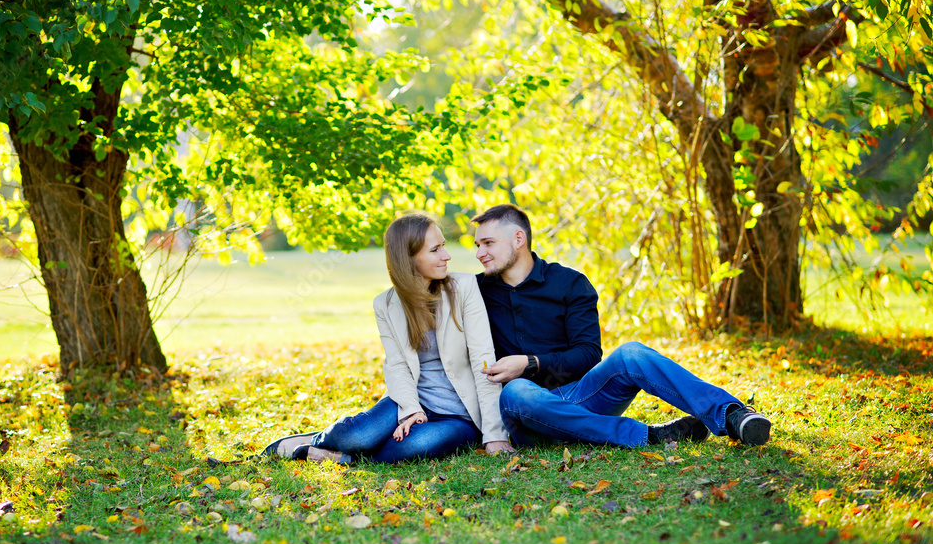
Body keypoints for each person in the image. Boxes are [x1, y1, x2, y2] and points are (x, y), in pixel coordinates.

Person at [471, 203, 772, 449]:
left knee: (632, 354)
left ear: (518, 239)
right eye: (477, 245)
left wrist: (531, 362)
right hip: (529, 416)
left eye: (488, 243)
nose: (479, 253)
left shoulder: (569, 283)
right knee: (517, 389)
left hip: (581, 395)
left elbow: (588, 354)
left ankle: (732, 415)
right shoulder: (474, 291)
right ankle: (649, 436)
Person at [262, 212, 515, 463]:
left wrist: (494, 434)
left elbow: (485, 361)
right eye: (435, 250)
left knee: (412, 447)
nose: (446, 256)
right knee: (358, 437)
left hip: (459, 415)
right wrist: (411, 409)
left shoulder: (465, 287)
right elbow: (396, 365)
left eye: (443, 247)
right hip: (409, 400)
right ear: (409, 258)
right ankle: (315, 441)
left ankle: (342, 459)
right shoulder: (385, 304)